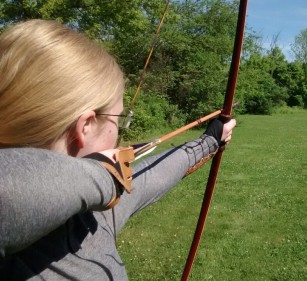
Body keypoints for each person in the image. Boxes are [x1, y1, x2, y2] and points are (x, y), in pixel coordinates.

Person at [0, 19, 236, 280]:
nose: (118, 133)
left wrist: (210, 140)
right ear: (86, 126)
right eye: (117, 119)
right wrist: (101, 174)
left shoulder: (88, 213)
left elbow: (148, 178)